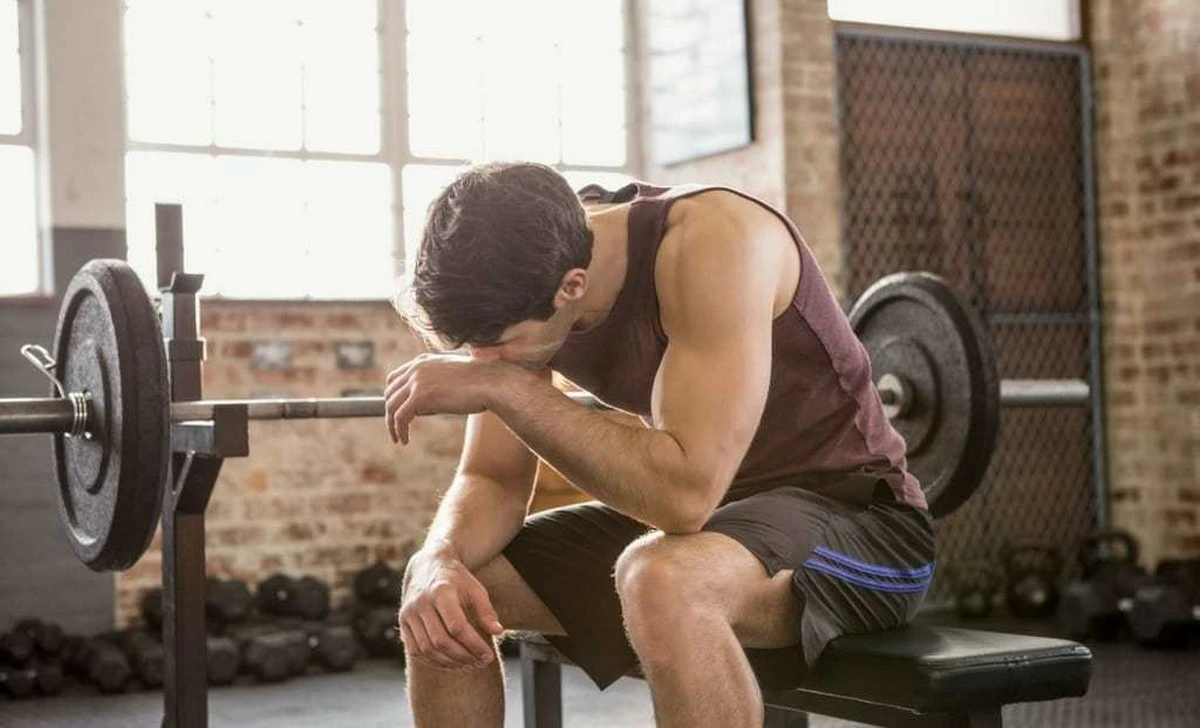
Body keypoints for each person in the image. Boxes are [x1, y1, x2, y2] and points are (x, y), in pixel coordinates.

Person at [385, 161, 935, 727]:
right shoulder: (529, 261)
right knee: (442, 597)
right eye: (472, 350)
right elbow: (492, 478)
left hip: (865, 526)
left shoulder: (715, 242)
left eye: (500, 345)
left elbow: (683, 499)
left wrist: (506, 390)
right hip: (719, 530)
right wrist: (439, 558)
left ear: (572, 285)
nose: (483, 362)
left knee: (662, 579)